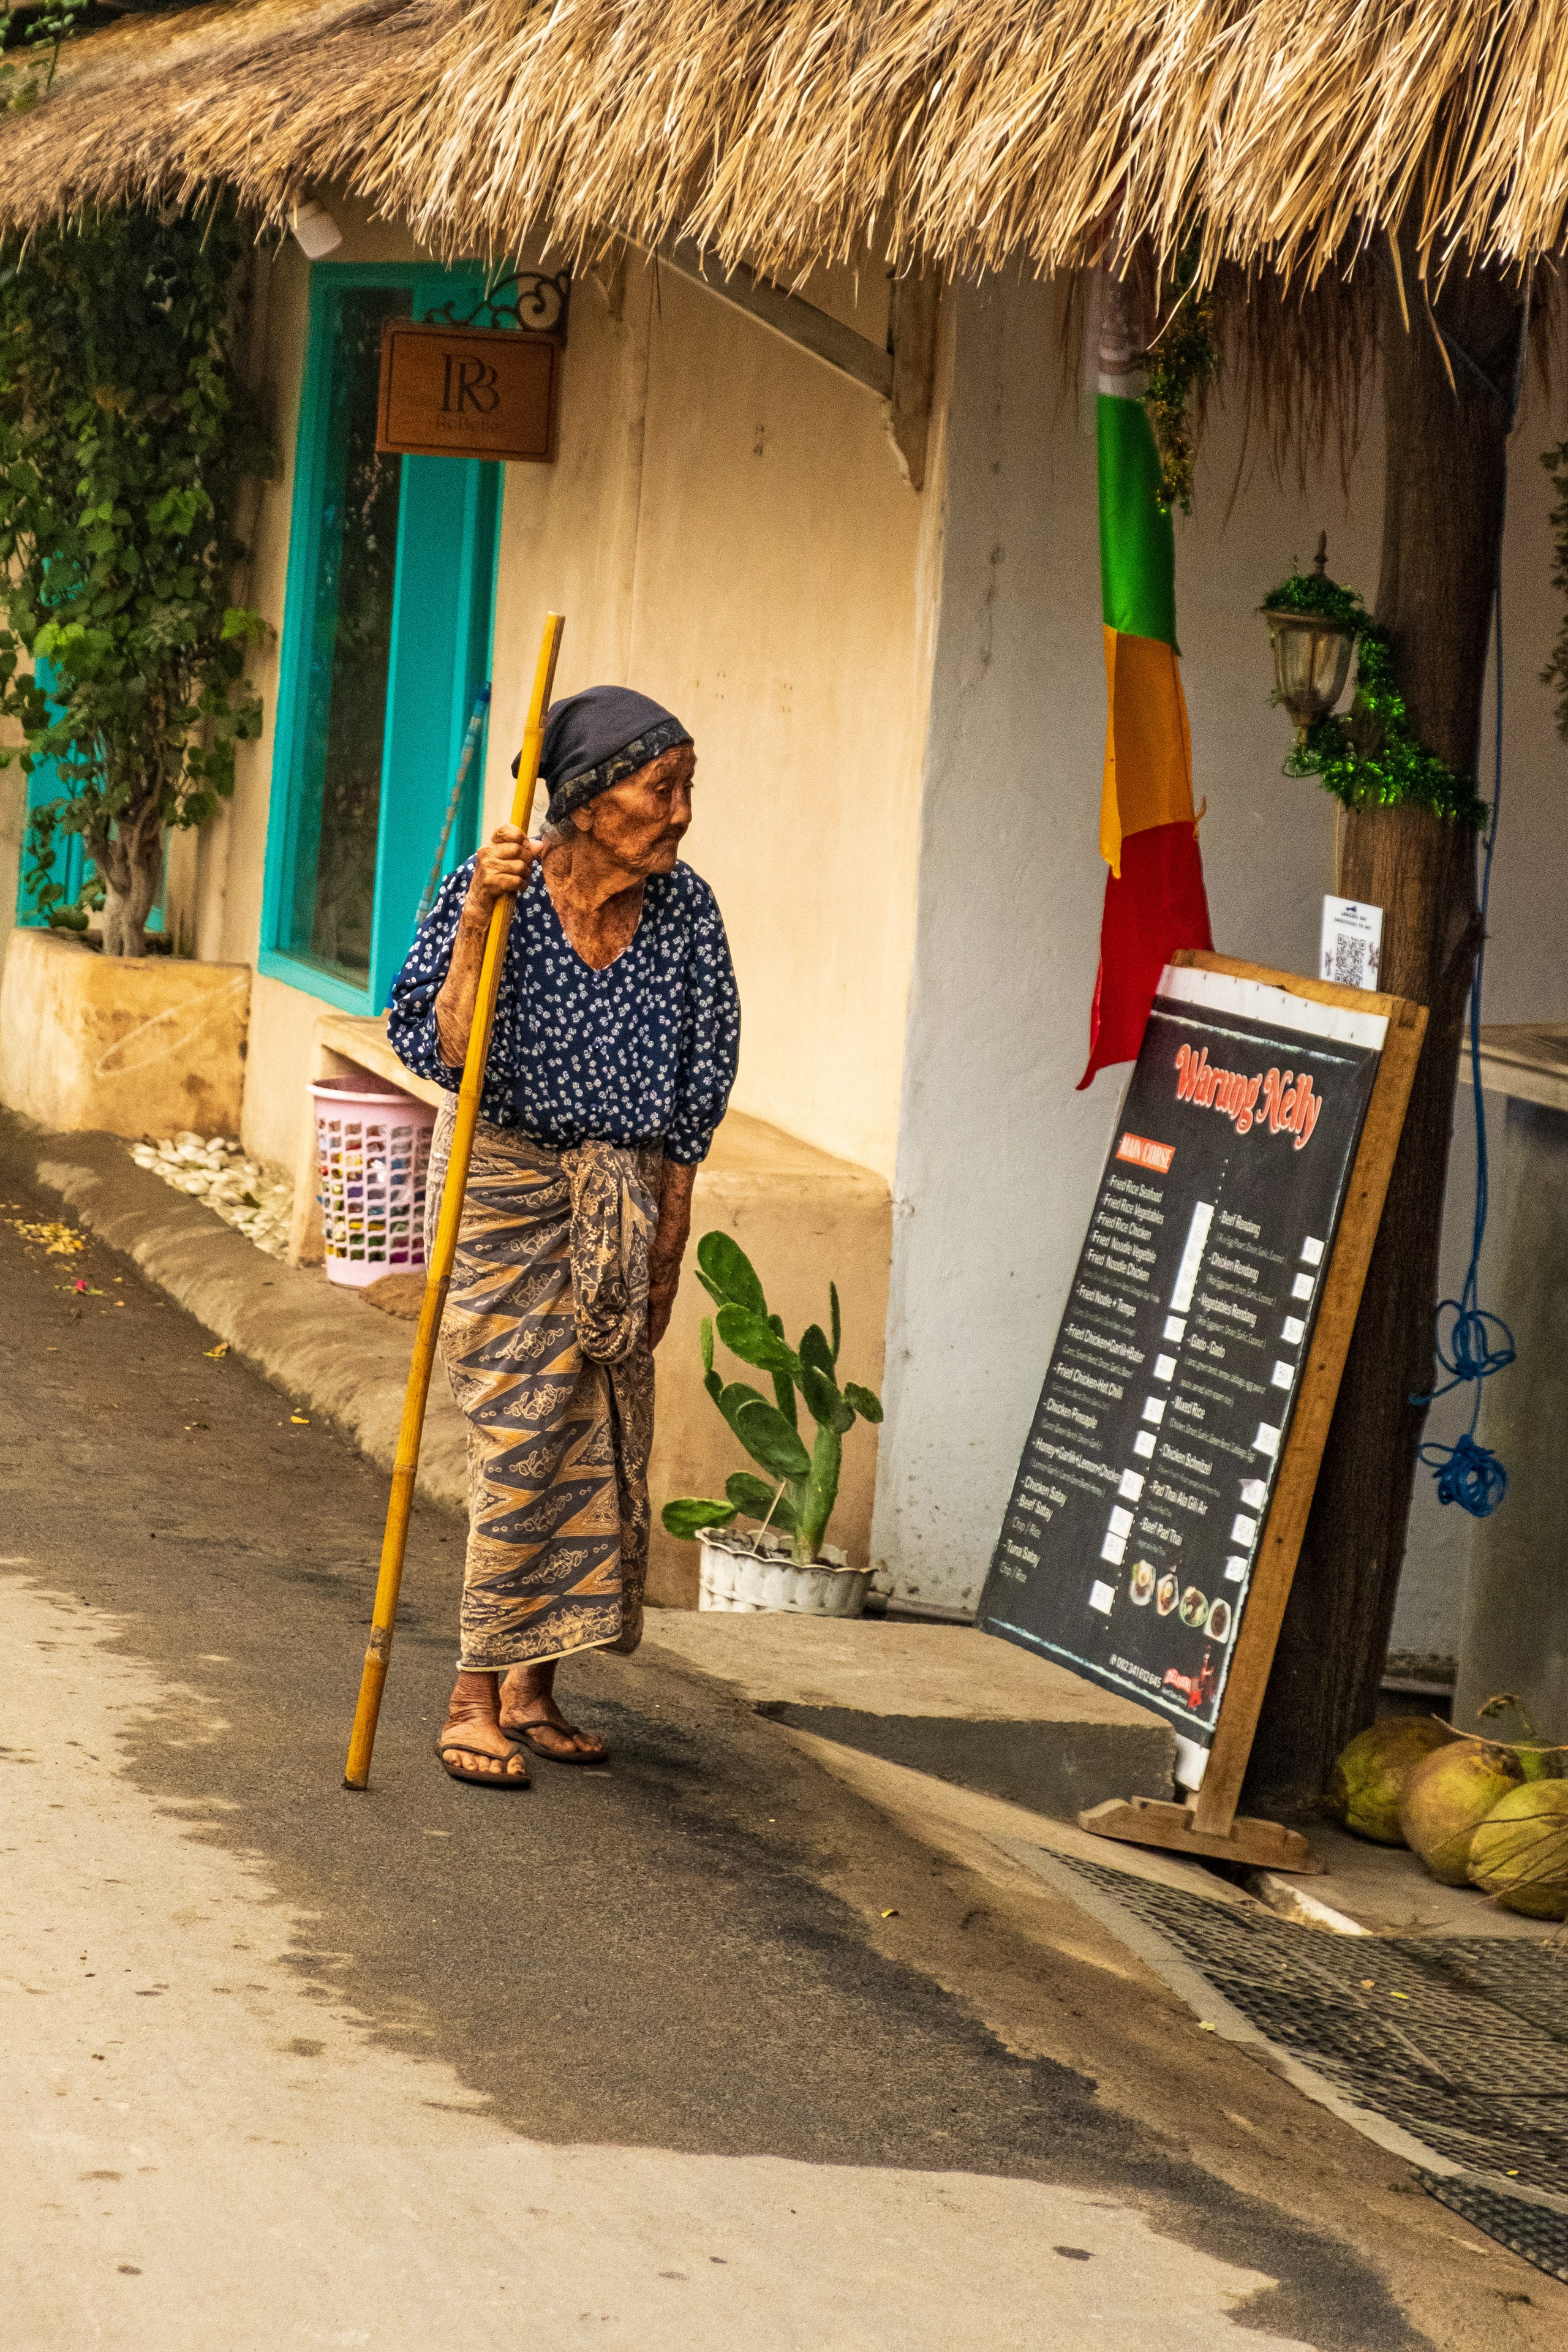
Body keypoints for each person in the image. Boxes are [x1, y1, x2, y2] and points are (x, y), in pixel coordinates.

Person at [388, 686, 739, 1785]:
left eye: (687, 787)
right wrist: (483, 924)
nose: (681, 812)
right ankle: (471, 1691)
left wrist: (668, 1241)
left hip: (624, 1192)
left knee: (603, 1431)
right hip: (501, 1183)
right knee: (525, 1429)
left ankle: (537, 1688)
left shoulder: (687, 914)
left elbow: (695, 1096)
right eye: (660, 787)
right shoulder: (493, 892)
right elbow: (441, 1046)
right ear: (584, 803)